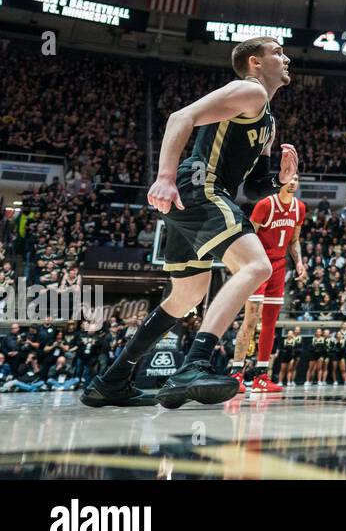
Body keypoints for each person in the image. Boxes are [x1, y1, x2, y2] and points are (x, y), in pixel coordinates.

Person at [83, 36, 297, 409]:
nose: (286, 57)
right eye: (277, 52)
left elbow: (254, 185)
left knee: (187, 295)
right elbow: (180, 117)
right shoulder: (250, 91)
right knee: (257, 265)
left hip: (198, 196)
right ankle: (194, 364)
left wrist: (281, 178)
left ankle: (111, 380)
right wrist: (165, 176)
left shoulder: (268, 120)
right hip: (200, 189)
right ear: (255, 63)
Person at [231, 178, 306, 394]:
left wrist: (299, 262)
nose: (293, 182)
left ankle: (261, 376)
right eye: (289, 178)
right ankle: (237, 373)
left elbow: (294, 240)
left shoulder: (299, 208)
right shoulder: (265, 205)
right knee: (251, 319)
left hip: (279, 268)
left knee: (270, 323)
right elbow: (247, 236)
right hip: (259, 265)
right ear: (281, 181)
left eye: (296, 179)